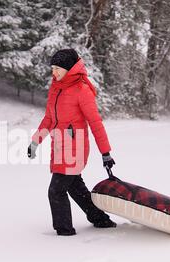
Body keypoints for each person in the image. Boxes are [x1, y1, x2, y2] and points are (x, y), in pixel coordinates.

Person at [27, 48, 116, 236]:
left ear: (69, 69)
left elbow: (95, 122)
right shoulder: (56, 89)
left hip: (75, 149)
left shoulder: (81, 90)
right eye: (53, 68)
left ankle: (64, 232)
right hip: (59, 147)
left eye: (58, 68)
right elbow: (49, 119)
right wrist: (35, 142)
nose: (54, 72)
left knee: (56, 190)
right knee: (76, 188)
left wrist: (105, 152)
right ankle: (100, 219)